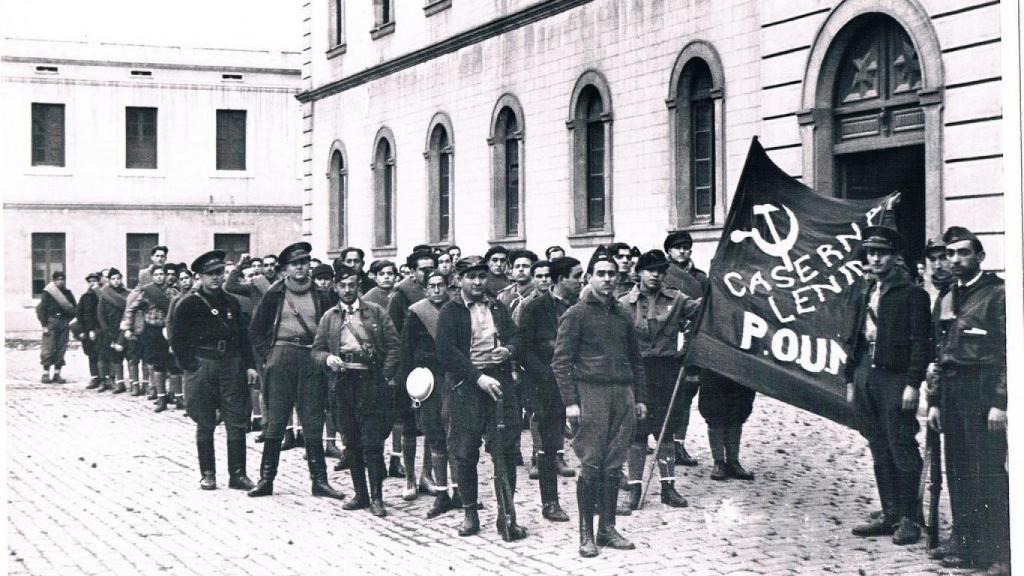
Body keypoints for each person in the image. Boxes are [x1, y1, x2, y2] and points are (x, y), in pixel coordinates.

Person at [552, 253, 647, 557]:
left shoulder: (622, 315)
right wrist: (570, 403)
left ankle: (607, 528)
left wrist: (640, 398)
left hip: (622, 395)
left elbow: (636, 359)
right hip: (591, 394)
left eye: (612, 274)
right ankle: (586, 534)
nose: (607, 279)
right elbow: (561, 362)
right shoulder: (576, 314)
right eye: (601, 273)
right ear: (590, 277)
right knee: (591, 465)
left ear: (619, 278)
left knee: (613, 464)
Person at [926, 227, 1008, 574]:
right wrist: (935, 401)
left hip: (983, 391)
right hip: (953, 392)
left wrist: (1001, 402)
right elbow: (940, 354)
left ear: (980, 257)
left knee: (988, 471)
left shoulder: (997, 294)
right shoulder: (946, 296)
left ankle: (1003, 553)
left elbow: (1011, 351)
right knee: (958, 470)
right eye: (950, 254)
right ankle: (969, 546)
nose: (955, 260)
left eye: (963, 253)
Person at [844, 225, 930, 545]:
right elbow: (853, 337)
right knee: (878, 445)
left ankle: (911, 518)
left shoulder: (912, 294)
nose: (875, 259)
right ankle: (890, 512)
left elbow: (922, 344)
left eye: (882, 253)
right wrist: (850, 377)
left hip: (894, 377)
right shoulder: (867, 291)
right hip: (866, 371)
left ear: (896, 257)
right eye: (871, 253)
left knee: (901, 444)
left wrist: (912, 384)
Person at [436, 256, 527, 540]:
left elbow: (517, 336)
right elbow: (446, 353)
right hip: (466, 386)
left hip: (498, 385)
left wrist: (509, 350)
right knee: (465, 451)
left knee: (504, 449)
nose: (477, 282)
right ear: (459, 280)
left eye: (481, 276)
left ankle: (506, 515)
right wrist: (477, 377)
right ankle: (469, 513)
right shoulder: (451, 311)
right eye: (471, 277)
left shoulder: (498, 307)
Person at [247, 242, 344, 500]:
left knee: (313, 420)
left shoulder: (321, 294)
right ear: (285, 269)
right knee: (277, 421)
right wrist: (269, 358)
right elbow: (256, 330)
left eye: (304, 262)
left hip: (311, 357)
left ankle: (320, 481)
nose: (300, 268)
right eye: (294, 264)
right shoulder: (275, 293)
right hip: (282, 357)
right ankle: (266, 480)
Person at [313, 262, 401, 517]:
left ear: (359, 286)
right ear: (335, 288)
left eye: (352, 285)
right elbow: (317, 350)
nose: (348, 290)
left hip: (370, 381)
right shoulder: (330, 317)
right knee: (350, 440)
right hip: (342, 382)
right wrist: (328, 359)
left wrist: (384, 375)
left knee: (372, 441)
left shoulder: (375, 312)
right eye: (342, 285)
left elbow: (394, 346)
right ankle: (360, 494)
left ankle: (377, 497)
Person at [618, 250, 701, 512]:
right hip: (636, 371)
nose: (655, 275)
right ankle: (634, 487)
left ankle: (668, 487)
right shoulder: (622, 303)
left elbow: (701, 313)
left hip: (667, 370)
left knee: (666, 429)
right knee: (637, 431)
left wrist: (715, 291)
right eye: (650, 270)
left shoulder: (676, 300)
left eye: (661, 271)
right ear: (639, 272)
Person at [169, 250, 258, 491]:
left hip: (231, 363)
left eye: (219, 273)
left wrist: (249, 365)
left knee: (236, 419)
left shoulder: (231, 301)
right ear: (200, 276)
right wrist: (192, 367)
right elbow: (177, 340)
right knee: (205, 419)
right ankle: (208, 473)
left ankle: (238, 474)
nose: (216, 278)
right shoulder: (188, 303)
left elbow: (243, 336)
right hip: (203, 364)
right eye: (210, 274)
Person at [518, 256, 584, 523]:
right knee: (548, 446)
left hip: (580, 383)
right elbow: (524, 350)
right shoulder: (535, 308)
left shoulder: (581, 307)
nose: (581, 281)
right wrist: (548, 376)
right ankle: (550, 503)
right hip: (545, 386)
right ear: (560, 280)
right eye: (576, 276)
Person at [399, 269, 461, 518]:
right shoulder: (416, 313)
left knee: (457, 435)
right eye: (432, 286)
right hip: (430, 381)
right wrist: (409, 386)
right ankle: (442, 493)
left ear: (448, 287)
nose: (437, 290)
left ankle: (460, 492)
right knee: (436, 434)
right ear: (425, 289)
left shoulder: (457, 309)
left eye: (441, 285)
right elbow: (406, 350)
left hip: (455, 377)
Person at [387, 249, 439, 493]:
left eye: (432, 268)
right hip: (410, 370)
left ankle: (426, 474)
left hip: (436, 371)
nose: (427, 273)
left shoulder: (444, 298)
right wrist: (404, 375)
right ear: (412, 272)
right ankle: (409, 477)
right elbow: (395, 337)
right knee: (409, 423)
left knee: (432, 425)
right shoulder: (401, 297)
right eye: (422, 269)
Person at [662, 231, 707, 466]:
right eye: (677, 247)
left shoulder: (700, 278)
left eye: (686, 247)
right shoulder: (662, 274)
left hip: (693, 341)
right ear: (669, 251)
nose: (682, 251)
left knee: (686, 395)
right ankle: (664, 442)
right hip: (667, 341)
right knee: (666, 394)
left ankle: (679, 444)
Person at [124, 263, 179, 411]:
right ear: (153, 277)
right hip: (153, 331)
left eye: (162, 274)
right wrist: (128, 326)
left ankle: (175, 396)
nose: (160, 277)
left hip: (169, 331)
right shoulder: (147, 291)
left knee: (173, 364)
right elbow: (132, 309)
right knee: (158, 364)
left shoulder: (173, 292)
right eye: (157, 275)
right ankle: (161, 398)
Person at [36, 270, 76, 384]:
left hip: (64, 323)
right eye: (58, 279)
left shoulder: (68, 293)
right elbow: (42, 309)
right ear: (54, 281)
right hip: (51, 322)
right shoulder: (48, 293)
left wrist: (67, 320)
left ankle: (57, 374)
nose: (60, 281)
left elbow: (74, 308)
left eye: (62, 279)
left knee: (61, 348)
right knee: (48, 348)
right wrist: (44, 325)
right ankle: (45, 374)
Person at [96, 269, 130, 392]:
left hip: (122, 328)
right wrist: (105, 328)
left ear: (121, 279)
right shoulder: (105, 294)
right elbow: (100, 313)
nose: (116, 281)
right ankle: (105, 381)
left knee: (122, 354)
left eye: (118, 278)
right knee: (106, 354)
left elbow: (128, 311)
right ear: (109, 280)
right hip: (108, 329)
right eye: (113, 279)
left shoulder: (127, 294)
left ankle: (117, 380)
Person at [77, 272, 102, 389]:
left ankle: (103, 379)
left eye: (95, 281)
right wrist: (82, 330)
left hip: (100, 329)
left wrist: (96, 330)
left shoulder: (101, 296)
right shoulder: (84, 297)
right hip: (87, 330)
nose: (92, 283)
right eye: (90, 281)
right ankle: (94, 378)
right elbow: (80, 314)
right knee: (91, 354)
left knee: (101, 354)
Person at [496, 250, 538, 316]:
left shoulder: (539, 293)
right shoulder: (503, 296)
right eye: (517, 266)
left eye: (525, 266)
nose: (520, 269)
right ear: (511, 270)